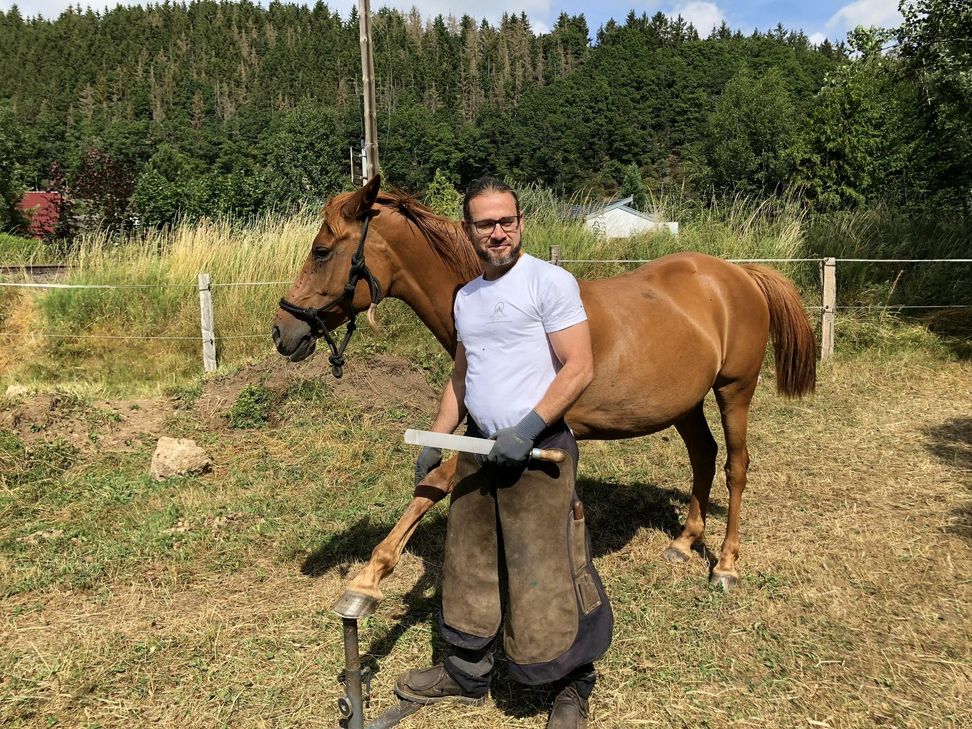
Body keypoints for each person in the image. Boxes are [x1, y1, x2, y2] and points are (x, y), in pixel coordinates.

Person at [395, 177, 613, 729]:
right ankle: (466, 671)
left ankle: (570, 684)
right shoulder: (466, 296)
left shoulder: (550, 282)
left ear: (520, 222)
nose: (498, 232)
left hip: (538, 454)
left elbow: (580, 366)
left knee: (549, 566)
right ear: (468, 229)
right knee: (468, 564)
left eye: (506, 221)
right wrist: (440, 436)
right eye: (485, 223)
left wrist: (532, 424)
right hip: (477, 451)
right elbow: (462, 374)